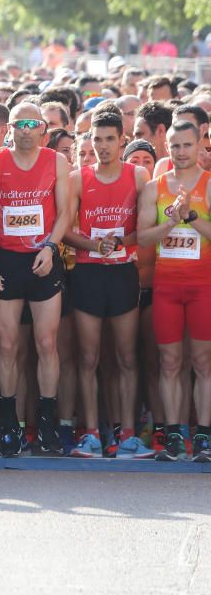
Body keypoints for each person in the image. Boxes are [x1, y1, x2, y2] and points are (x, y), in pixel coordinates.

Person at [63, 111, 154, 459]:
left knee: (126, 357)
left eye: (108, 140)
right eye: (96, 140)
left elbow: (145, 231)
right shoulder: (78, 179)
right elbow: (66, 230)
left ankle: (128, 433)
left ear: (122, 140)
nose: (102, 147)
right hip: (88, 273)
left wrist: (119, 242)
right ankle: (90, 434)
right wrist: (93, 245)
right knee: (88, 358)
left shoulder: (139, 175)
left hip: (122, 273)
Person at [0, 102, 71, 457]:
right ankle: (9, 425)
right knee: (7, 346)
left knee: (47, 343)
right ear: (10, 129)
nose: (26, 129)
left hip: (43, 259)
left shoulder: (56, 162)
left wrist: (51, 247)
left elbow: (65, 212)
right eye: (20, 123)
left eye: (33, 124)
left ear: (43, 131)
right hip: (6, 259)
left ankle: (46, 423)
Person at [138, 120, 211, 462]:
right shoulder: (154, 187)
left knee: (202, 363)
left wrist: (191, 216)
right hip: (166, 286)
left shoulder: (209, 184)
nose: (181, 152)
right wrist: (170, 222)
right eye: (175, 145)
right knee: (169, 362)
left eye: (187, 145)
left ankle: (204, 437)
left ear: (200, 146)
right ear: (167, 147)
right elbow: (142, 238)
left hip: (202, 286)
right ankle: (173, 435)